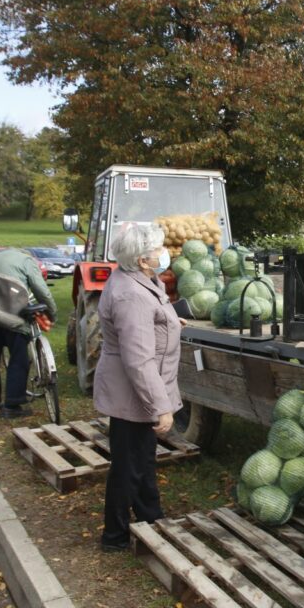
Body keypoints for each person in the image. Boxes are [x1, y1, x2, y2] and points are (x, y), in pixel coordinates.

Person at [95, 222, 182, 552]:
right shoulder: (131, 295)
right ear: (143, 260)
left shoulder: (139, 280)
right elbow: (139, 359)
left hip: (132, 391)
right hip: (132, 393)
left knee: (141, 460)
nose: (165, 254)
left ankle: (150, 517)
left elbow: (149, 320)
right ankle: (115, 536)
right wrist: (160, 406)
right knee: (128, 467)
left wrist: (170, 322)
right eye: (159, 249)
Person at [0, 248, 57, 418]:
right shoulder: (26, 261)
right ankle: (12, 405)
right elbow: (42, 291)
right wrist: (51, 314)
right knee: (19, 359)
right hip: (13, 318)